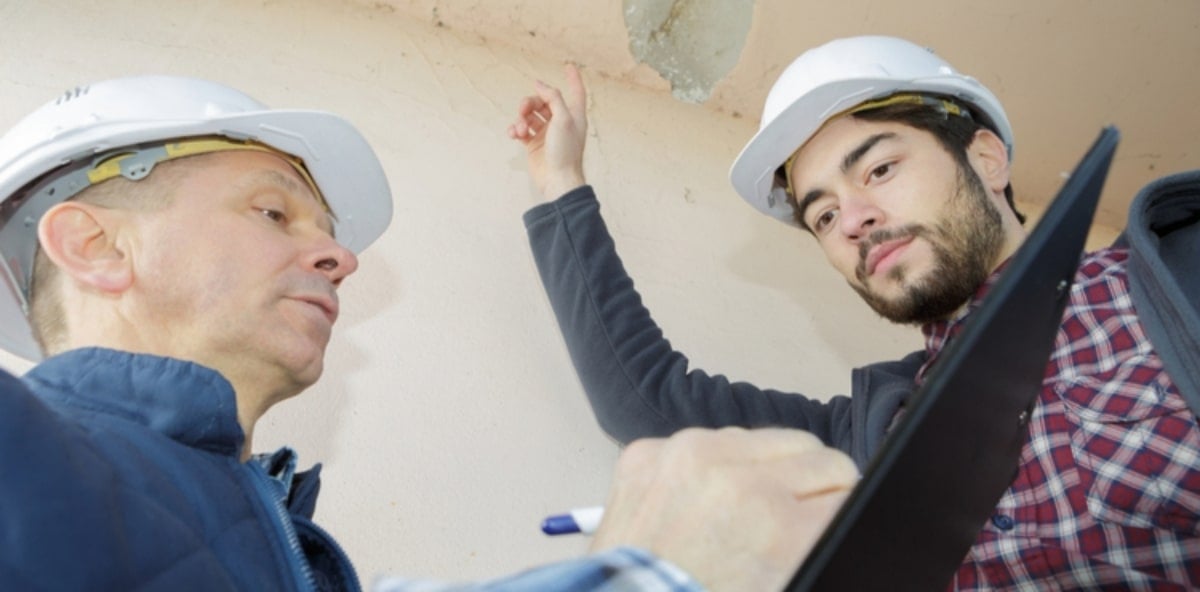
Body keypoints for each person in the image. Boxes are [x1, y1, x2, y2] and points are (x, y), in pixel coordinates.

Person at [0, 75, 860, 591]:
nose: (341, 257)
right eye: (273, 211)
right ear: (95, 246)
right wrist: (649, 574)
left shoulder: (270, 538)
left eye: (325, 230)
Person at [508, 36, 1200, 589]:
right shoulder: (875, 439)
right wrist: (559, 182)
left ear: (987, 159)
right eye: (824, 214)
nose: (854, 220)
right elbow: (648, 403)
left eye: (879, 170)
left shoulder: (1172, 270)